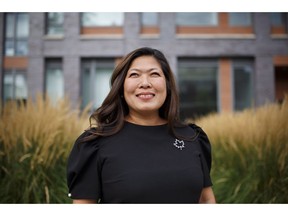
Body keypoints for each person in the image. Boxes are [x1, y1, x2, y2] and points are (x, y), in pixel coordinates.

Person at [67, 47, 216, 204]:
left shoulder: (192, 137)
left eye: (154, 74)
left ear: (167, 85)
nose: (145, 83)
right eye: (134, 75)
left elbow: (206, 201)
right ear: (121, 88)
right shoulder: (95, 144)